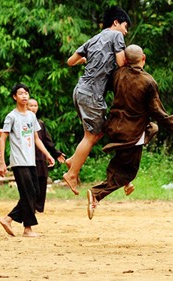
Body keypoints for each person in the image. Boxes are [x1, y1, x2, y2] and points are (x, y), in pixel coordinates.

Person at [86, 44, 173, 219]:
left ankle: (125, 182)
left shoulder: (117, 74)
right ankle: (96, 194)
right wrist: (171, 123)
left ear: (126, 60)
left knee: (151, 128)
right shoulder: (148, 81)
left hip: (114, 126)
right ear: (143, 58)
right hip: (132, 133)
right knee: (128, 170)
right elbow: (156, 110)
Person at [63, 6, 131, 195]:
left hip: (79, 90)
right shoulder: (116, 36)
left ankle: (73, 160)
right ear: (116, 22)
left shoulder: (94, 39)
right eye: (125, 27)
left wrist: (87, 61)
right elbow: (121, 63)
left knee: (94, 133)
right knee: (92, 136)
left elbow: (70, 61)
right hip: (92, 93)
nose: (125, 32)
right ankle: (72, 173)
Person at [0, 84, 55, 237]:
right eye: (21, 93)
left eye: (26, 93)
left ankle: (8, 218)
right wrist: (2, 162)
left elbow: (36, 138)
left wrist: (47, 154)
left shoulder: (31, 116)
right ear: (14, 97)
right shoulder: (12, 116)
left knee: (35, 193)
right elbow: (3, 138)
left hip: (31, 161)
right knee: (28, 193)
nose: (24, 96)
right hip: (18, 161)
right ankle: (27, 228)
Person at [27, 98, 66, 212]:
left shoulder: (40, 124)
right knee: (30, 183)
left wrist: (56, 154)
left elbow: (47, 141)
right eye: (31, 106)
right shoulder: (22, 122)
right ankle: (30, 206)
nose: (33, 108)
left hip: (41, 157)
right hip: (28, 158)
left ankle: (39, 207)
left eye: (35, 105)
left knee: (42, 182)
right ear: (26, 106)